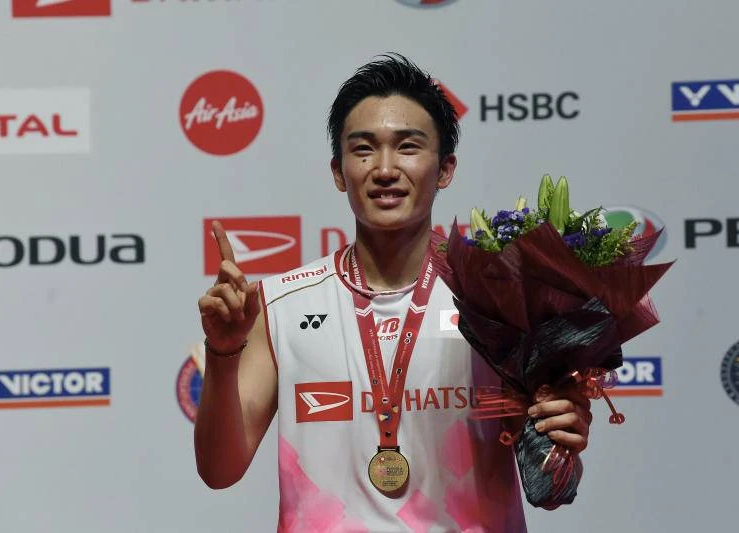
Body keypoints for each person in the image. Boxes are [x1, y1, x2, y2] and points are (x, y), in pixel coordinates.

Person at [195, 54, 593, 532]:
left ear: (445, 169)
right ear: (338, 171)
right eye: (363, 149)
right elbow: (218, 472)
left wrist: (560, 435)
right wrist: (223, 353)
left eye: (408, 147)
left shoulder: (501, 299)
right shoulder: (279, 304)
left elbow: (551, 490)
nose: (384, 169)